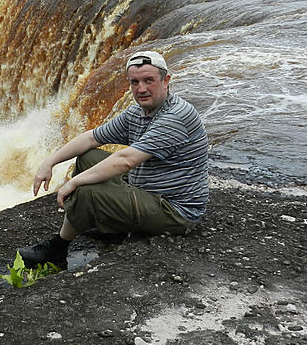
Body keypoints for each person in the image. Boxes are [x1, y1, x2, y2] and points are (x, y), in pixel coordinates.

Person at [18, 50, 209, 270]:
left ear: (165, 81)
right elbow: (92, 138)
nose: (141, 89)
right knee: (88, 157)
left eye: (149, 80)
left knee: (87, 191)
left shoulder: (176, 117)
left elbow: (126, 160)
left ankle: (58, 248)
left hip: (173, 210)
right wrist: (49, 162)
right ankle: (111, 224)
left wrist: (74, 182)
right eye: (135, 82)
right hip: (146, 187)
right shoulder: (138, 112)